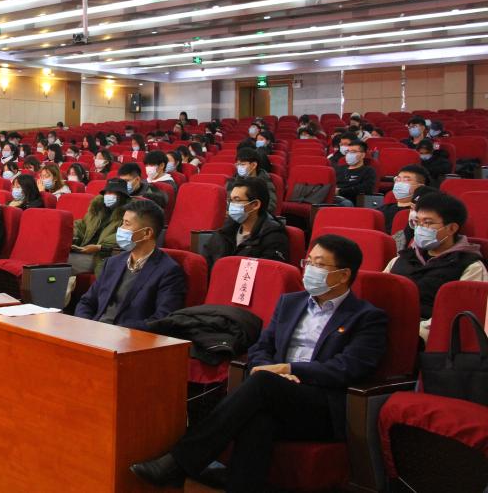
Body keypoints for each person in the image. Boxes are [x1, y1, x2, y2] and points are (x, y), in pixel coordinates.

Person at [131, 234, 388, 492]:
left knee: (263, 384)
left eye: (319, 264)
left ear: (343, 275)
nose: (310, 269)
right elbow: (262, 347)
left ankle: (179, 462)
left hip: (322, 405)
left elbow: (348, 367)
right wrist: (273, 372)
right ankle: (204, 473)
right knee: (259, 420)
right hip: (277, 391)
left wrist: (287, 369)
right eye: (308, 261)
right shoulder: (291, 303)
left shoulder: (366, 317)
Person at [384, 192, 487, 340]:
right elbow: (378, 291)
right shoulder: (402, 258)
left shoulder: (471, 266)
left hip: (424, 336)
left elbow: (457, 314)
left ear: (452, 228)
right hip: (383, 325)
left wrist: (411, 333)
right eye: (417, 222)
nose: (420, 228)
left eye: (428, 223)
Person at [75, 198, 185, 329]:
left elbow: (161, 319)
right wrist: (87, 326)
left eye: (127, 224)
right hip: (95, 331)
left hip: (129, 336)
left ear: (147, 233)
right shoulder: (113, 262)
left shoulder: (169, 272)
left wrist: (119, 332)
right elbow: (86, 302)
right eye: (122, 223)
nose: (120, 229)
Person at [204, 177, 289, 265]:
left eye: (237, 200)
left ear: (255, 205)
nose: (231, 205)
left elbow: (266, 270)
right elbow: (206, 262)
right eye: (231, 200)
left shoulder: (273, 237)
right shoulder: (226, 230)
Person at [71, 178, 131, 276]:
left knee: (62, 262)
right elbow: (82, 226)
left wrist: (100, 247)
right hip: (83, 250)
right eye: (106, 192)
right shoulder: (97, 209)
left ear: (121, 195)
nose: (107, 195)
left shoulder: (129, 215)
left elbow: (124, 237)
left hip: (102, 255)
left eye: (111, 192)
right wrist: (72, 238)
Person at [381, 165, 427, 235]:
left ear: (420, 187)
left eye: (406, 180)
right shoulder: (382, 210)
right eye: (398, 179)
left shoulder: (419, 214)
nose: (400, 183)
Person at [333, 140, 376, 207]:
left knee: (346, 203)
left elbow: (366, 189)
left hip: (353, 200)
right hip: (335, 198)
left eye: (353, 152)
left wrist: (340, 191)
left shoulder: (368, 170)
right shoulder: (339, 168)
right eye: (348, 151)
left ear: (363, 155)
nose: (349, 154)